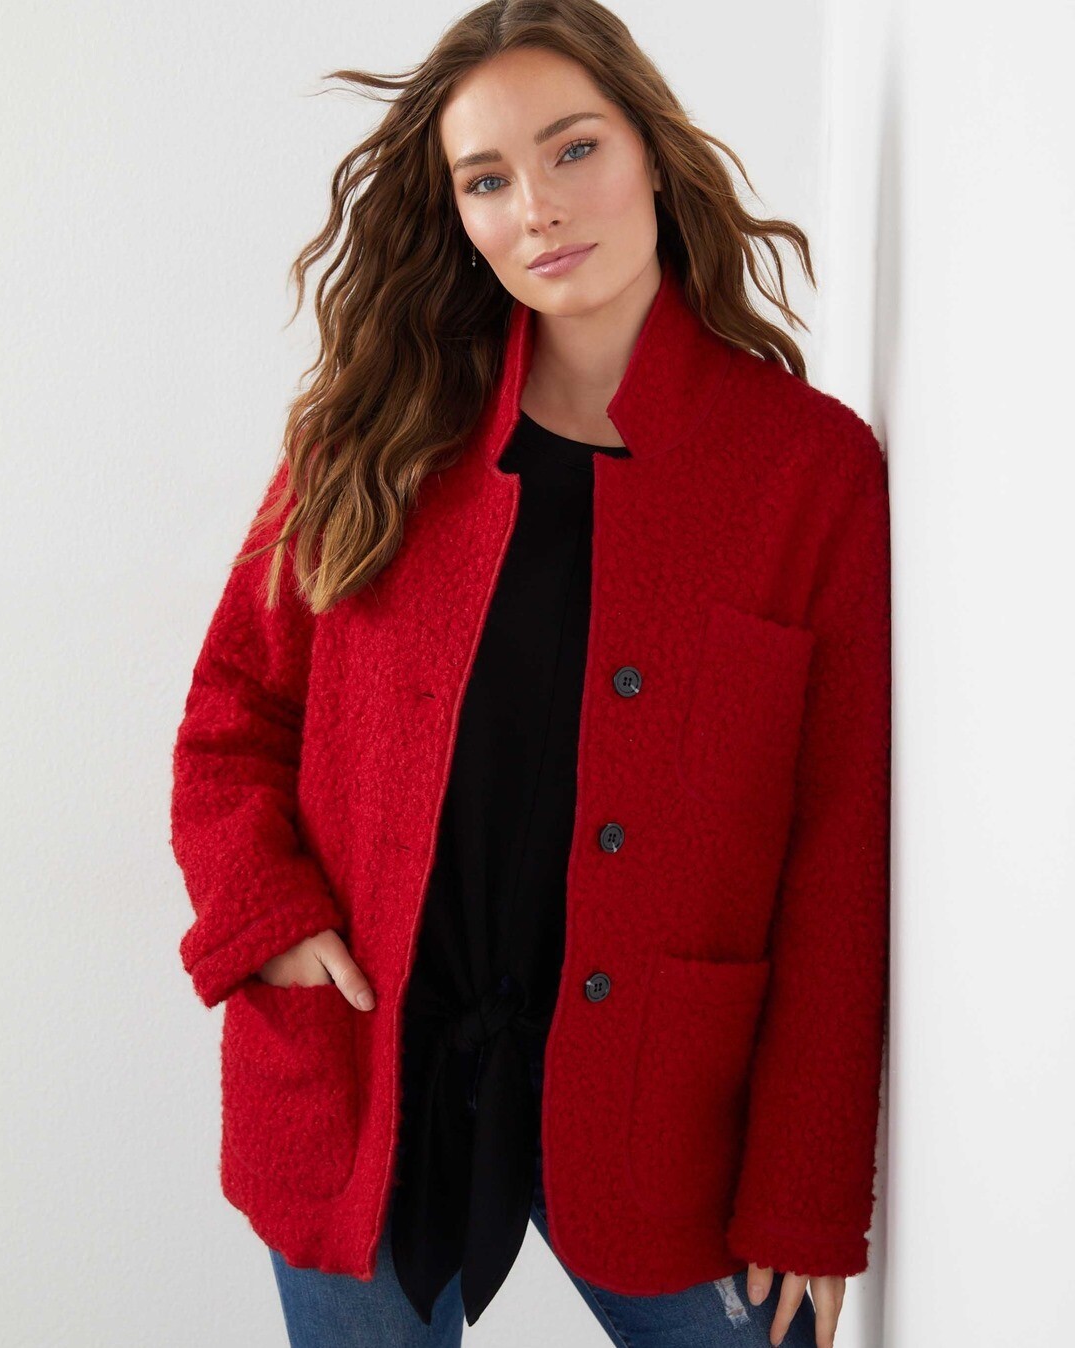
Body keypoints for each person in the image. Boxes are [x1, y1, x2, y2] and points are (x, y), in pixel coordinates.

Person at [169, 3, 891, 1346]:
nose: (538, 209)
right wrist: (266, 926)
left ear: (653, 151)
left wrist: (805, 1194)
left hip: (667, 1109)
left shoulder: (807, 473)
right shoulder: (373, 436)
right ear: (457, 215)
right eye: (487, 179)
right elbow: (233, 715)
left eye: (574, 150)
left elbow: (838, 853)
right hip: (364, 1079)